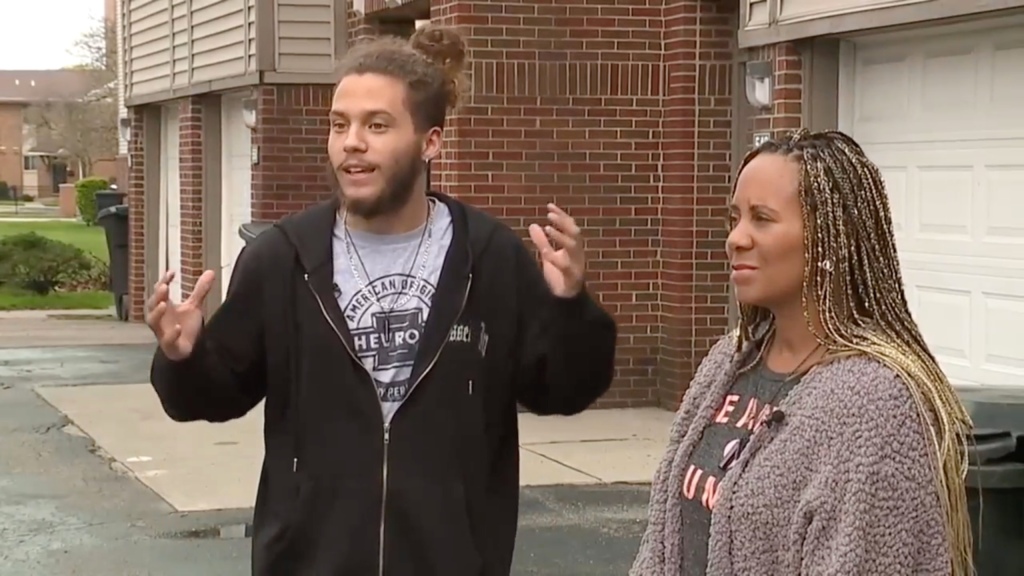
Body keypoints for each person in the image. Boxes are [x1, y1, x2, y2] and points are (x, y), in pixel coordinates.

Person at [144, 25, 618, 576]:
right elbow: (215, 393)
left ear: (430, 141)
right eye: (339, 124)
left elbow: (562, 391)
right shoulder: (284, 260)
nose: (352, 142)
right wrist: (183, 358)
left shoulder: (488, 259)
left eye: (377, 125)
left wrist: (570, 310)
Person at [629, 129, 974, 576]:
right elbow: (664, 539)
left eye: (762, 219)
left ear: (829, 239)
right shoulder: (728, 362)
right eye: (735, 218)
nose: (736, 238)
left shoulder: (872, 404)